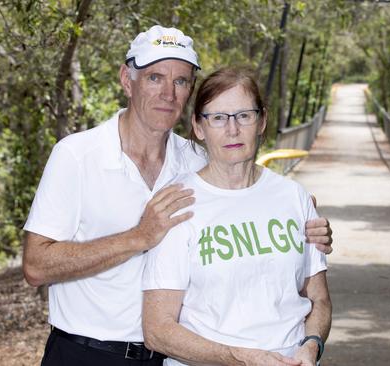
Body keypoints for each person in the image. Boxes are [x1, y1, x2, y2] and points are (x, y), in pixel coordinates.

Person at [22, 25, 333, 366]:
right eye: (155, 77)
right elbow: (36, 266)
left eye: (181, 81)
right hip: (89, 351)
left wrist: (305, 221)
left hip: (172, 354)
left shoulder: (196, 158)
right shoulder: (77, 156)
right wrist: (137, 237)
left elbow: (249, 202)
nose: (168, 93)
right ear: (128, 80)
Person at [141, 66, 332, 366]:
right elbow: (158, 331)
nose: (232, 130)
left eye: (244, 115)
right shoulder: (178, 203)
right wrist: (240, 358)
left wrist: (311, 346)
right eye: (218, 118)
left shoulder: (294, 197)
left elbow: (319, 300)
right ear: (199, 127)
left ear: (261, 120)